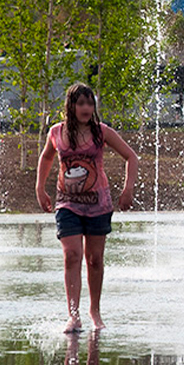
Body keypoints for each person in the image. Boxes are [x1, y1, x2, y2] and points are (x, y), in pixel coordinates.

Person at [35, 83, 138, 333]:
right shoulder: (56, 132)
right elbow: (47, 157)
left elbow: (131, 157)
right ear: (71, 106)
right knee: (72, 255)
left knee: (94, 259)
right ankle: (73, 315)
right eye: (81, 103)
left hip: (98, 205)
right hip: (67, 204)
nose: (86, 108)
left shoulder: (102, 132)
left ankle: (95, 311)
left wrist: (127, 190)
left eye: (90, 103)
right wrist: (40, 187)